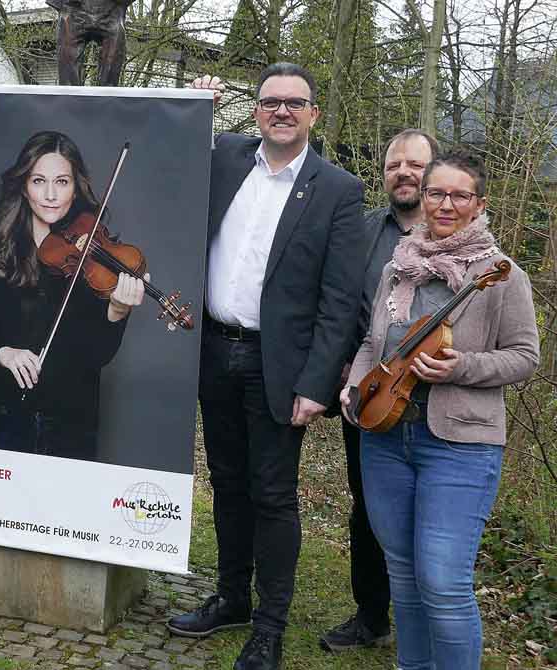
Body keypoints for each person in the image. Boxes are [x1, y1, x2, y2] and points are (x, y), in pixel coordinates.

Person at [167, 64, 367, 670]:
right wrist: (193, 109)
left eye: (294, 103)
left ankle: (269, 625)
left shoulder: (337, 189)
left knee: (273, 494)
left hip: (278, 366)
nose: (281, 111)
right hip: (212, 350)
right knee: (226, 483)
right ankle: (230, 597)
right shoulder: (226, 156)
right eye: (270, 102)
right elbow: (166, 162)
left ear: (313, 114)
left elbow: (341, 301)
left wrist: (317, 382)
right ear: (255, 111)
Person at [342, 150, 539, 670]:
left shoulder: (500, 273)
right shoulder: (398, 266)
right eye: (436, 193)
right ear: (423, 198)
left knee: (443, 582)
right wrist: (357, 382)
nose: (445, 204)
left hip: (459, 446)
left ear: (479, 204)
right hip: (384, 438)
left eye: (459, 195)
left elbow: (525, 356)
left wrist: (463, 367)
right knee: (403, 574)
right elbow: (373, 340)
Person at [0, 130, 145, 461]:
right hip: (2, 422)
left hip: (71, 428)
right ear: (24, 187)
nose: (51, 194)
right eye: (39, 181)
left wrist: (116, 311)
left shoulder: (91, 263)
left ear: (75, 188)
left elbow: (96, 356)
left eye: (62, 182)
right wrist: (3, 353)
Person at [320, 128, 439, 653]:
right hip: (370, 395)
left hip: (439, 404)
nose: (404, 173)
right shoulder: (366, 232)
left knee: (430, 517)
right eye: (394, 165)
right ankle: (372, 615)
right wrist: (347, 371)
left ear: (433, 172)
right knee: (367, 508)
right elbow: (342, 303)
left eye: (415, 164)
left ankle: (431, 617)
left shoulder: (457, 235)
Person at [48, 0, 136, 86]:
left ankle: (108, 97)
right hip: (73, 9)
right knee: (68, 85)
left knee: (110, 82)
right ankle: (69, 98)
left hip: (112, 10)